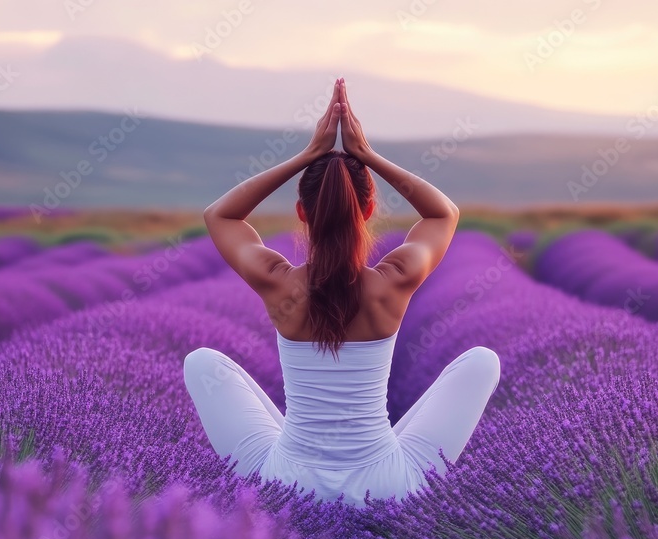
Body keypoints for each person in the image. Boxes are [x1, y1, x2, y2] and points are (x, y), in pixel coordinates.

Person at [183, 77, 500, 506]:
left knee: (202, 363)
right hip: (387, 484)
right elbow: (444, 213)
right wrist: (367, 154)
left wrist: (307, 155)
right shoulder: (394, 280)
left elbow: (220, 216)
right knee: (482, 361)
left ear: (301, 213)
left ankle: (290, 478)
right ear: (368, 210)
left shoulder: (280, 283)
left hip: (288, 484)